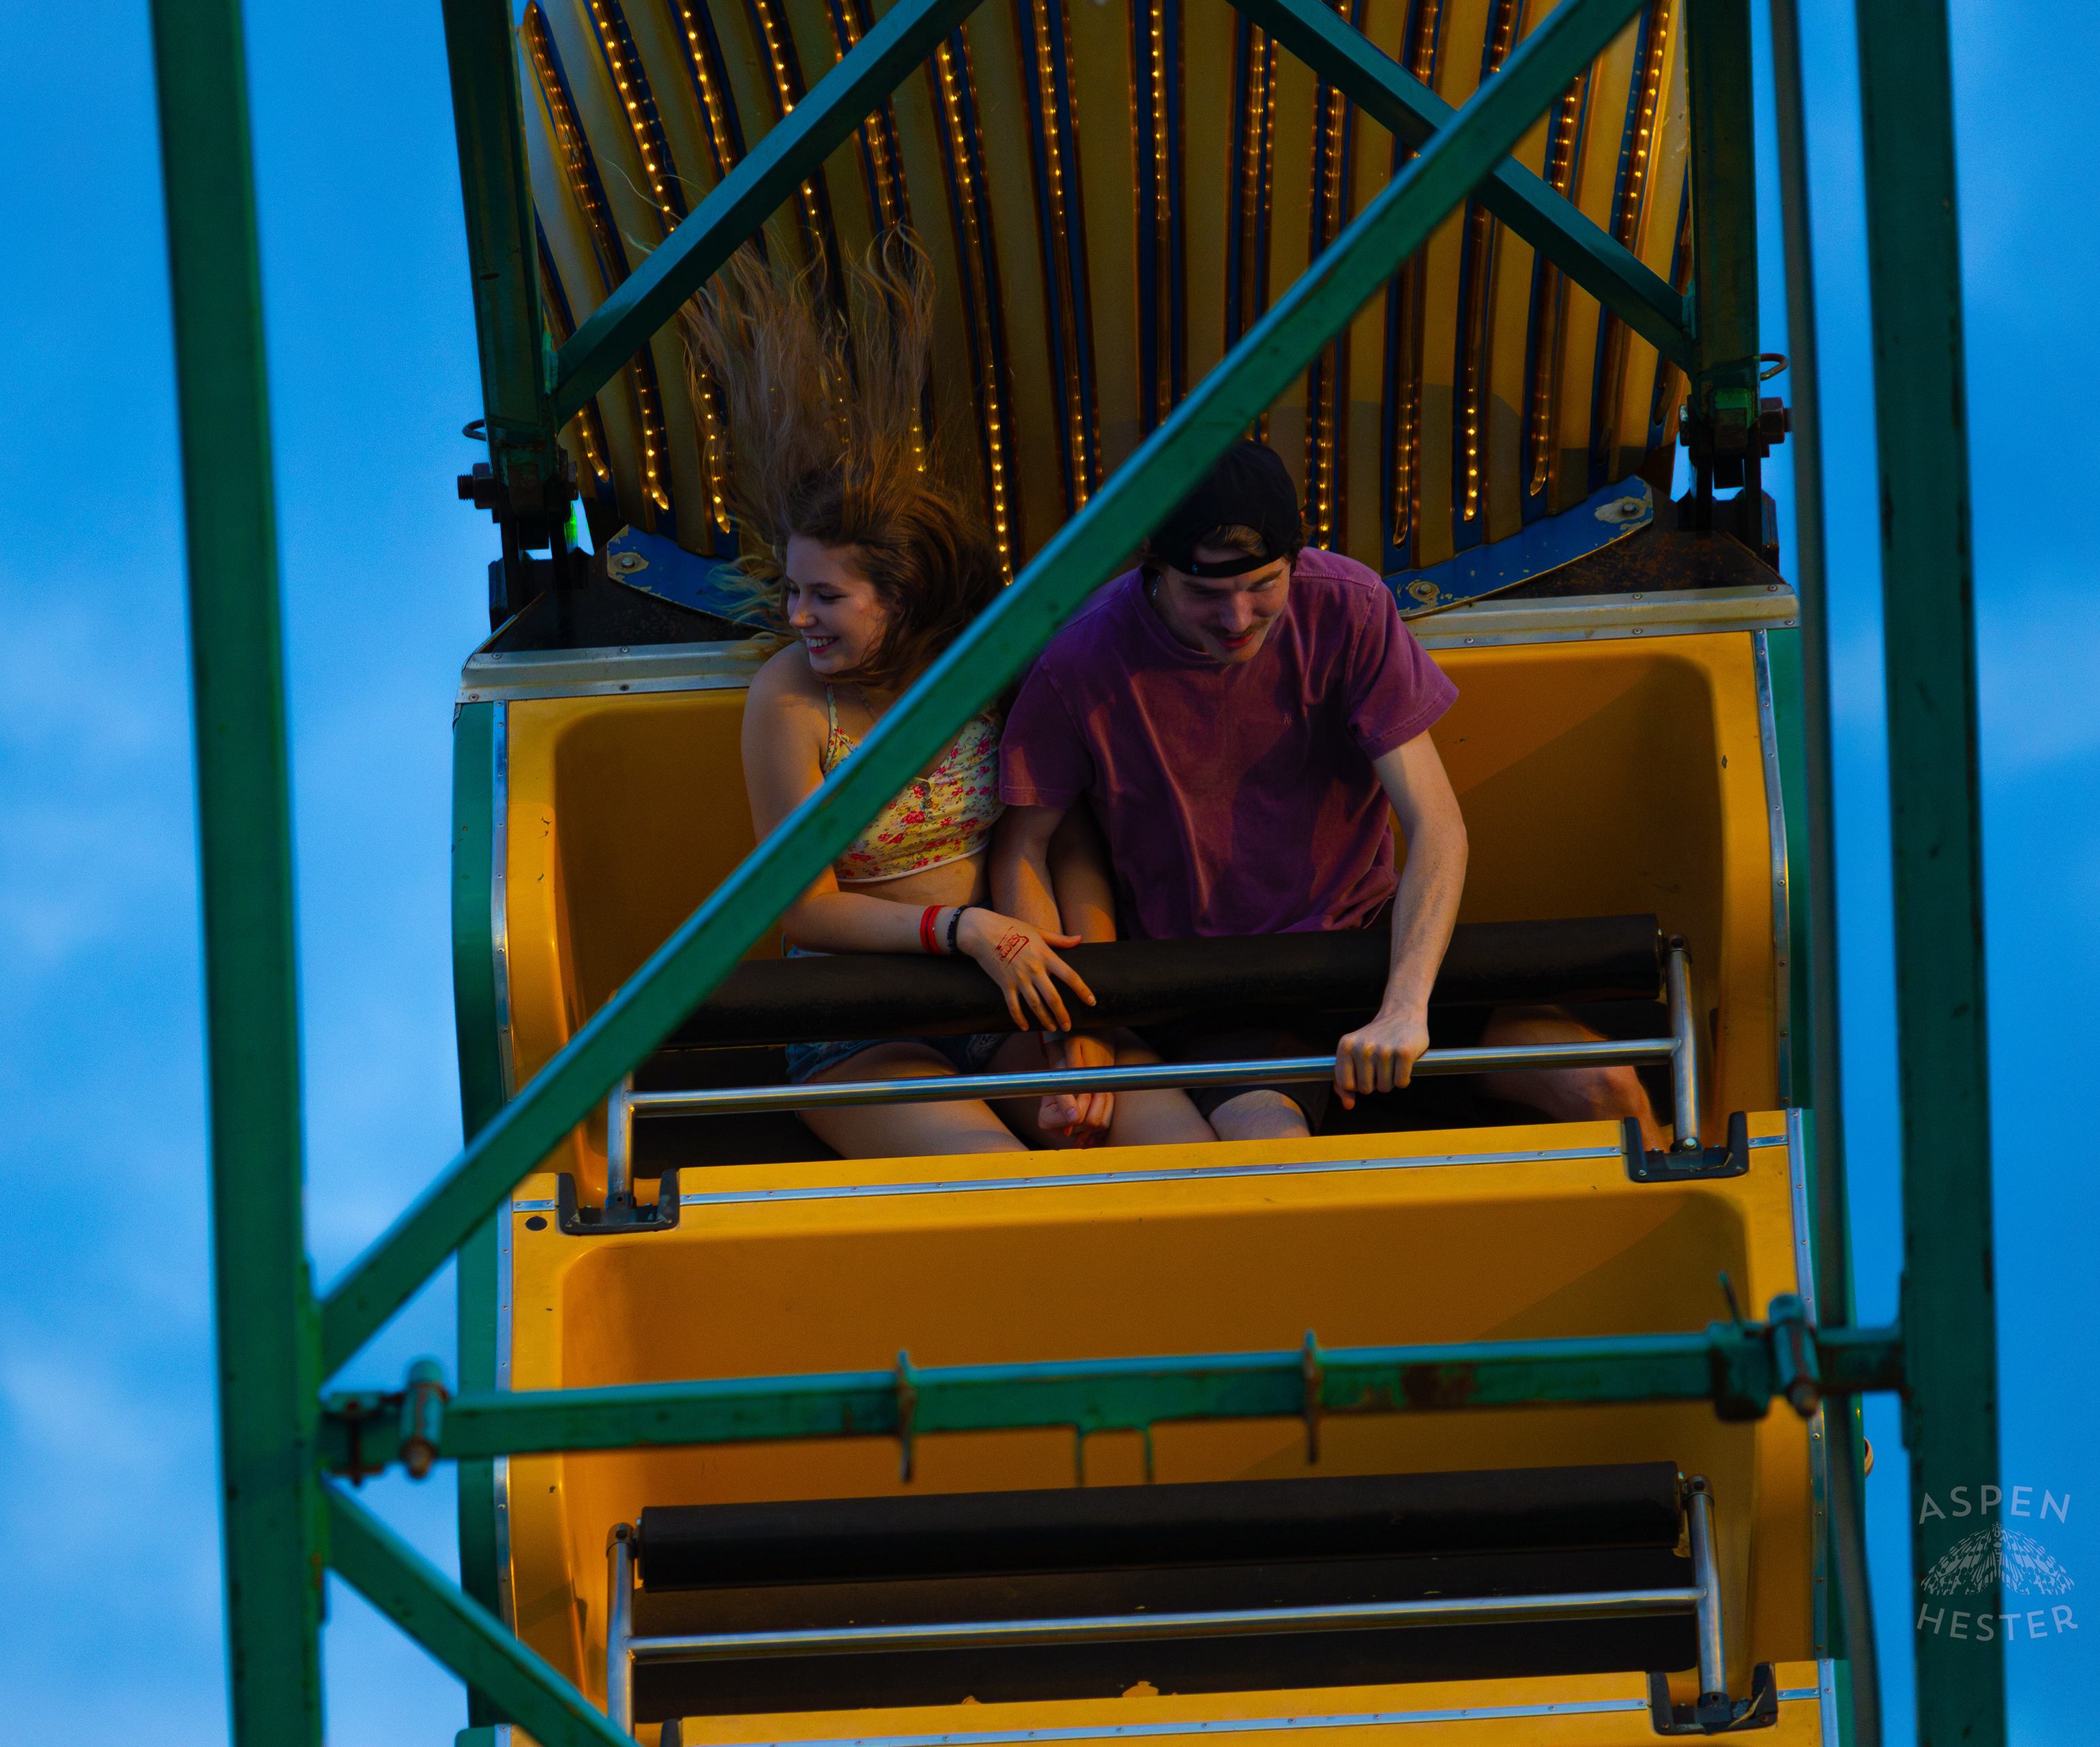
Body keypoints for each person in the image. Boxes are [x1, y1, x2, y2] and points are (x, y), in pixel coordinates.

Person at [686, 238, 1214, 1159]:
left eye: (825, 596)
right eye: (793, 589)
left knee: (1179, 1143)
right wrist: (963, 928)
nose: (795, 615)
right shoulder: (789, 702)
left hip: (1019, 989)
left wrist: (1084, 1007)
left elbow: (1067, 840)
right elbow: (804, 909)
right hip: (866, 1015)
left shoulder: (990, 674)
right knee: (996, 1182)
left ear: (903, 598)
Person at [989, 439, 1656, 1140]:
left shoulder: (1352, 607)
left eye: (1262, 586)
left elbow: (1435, 823)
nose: (1238, 618)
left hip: (1365, 950)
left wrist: (1404, 1004)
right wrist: (1075, 1031)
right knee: (1275, 1154)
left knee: (1604, 1085)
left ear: (1297, 561)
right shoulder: (1080, 658)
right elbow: (1025, 848)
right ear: (1152, 566)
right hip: (1214, 987)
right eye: (1205, 593)